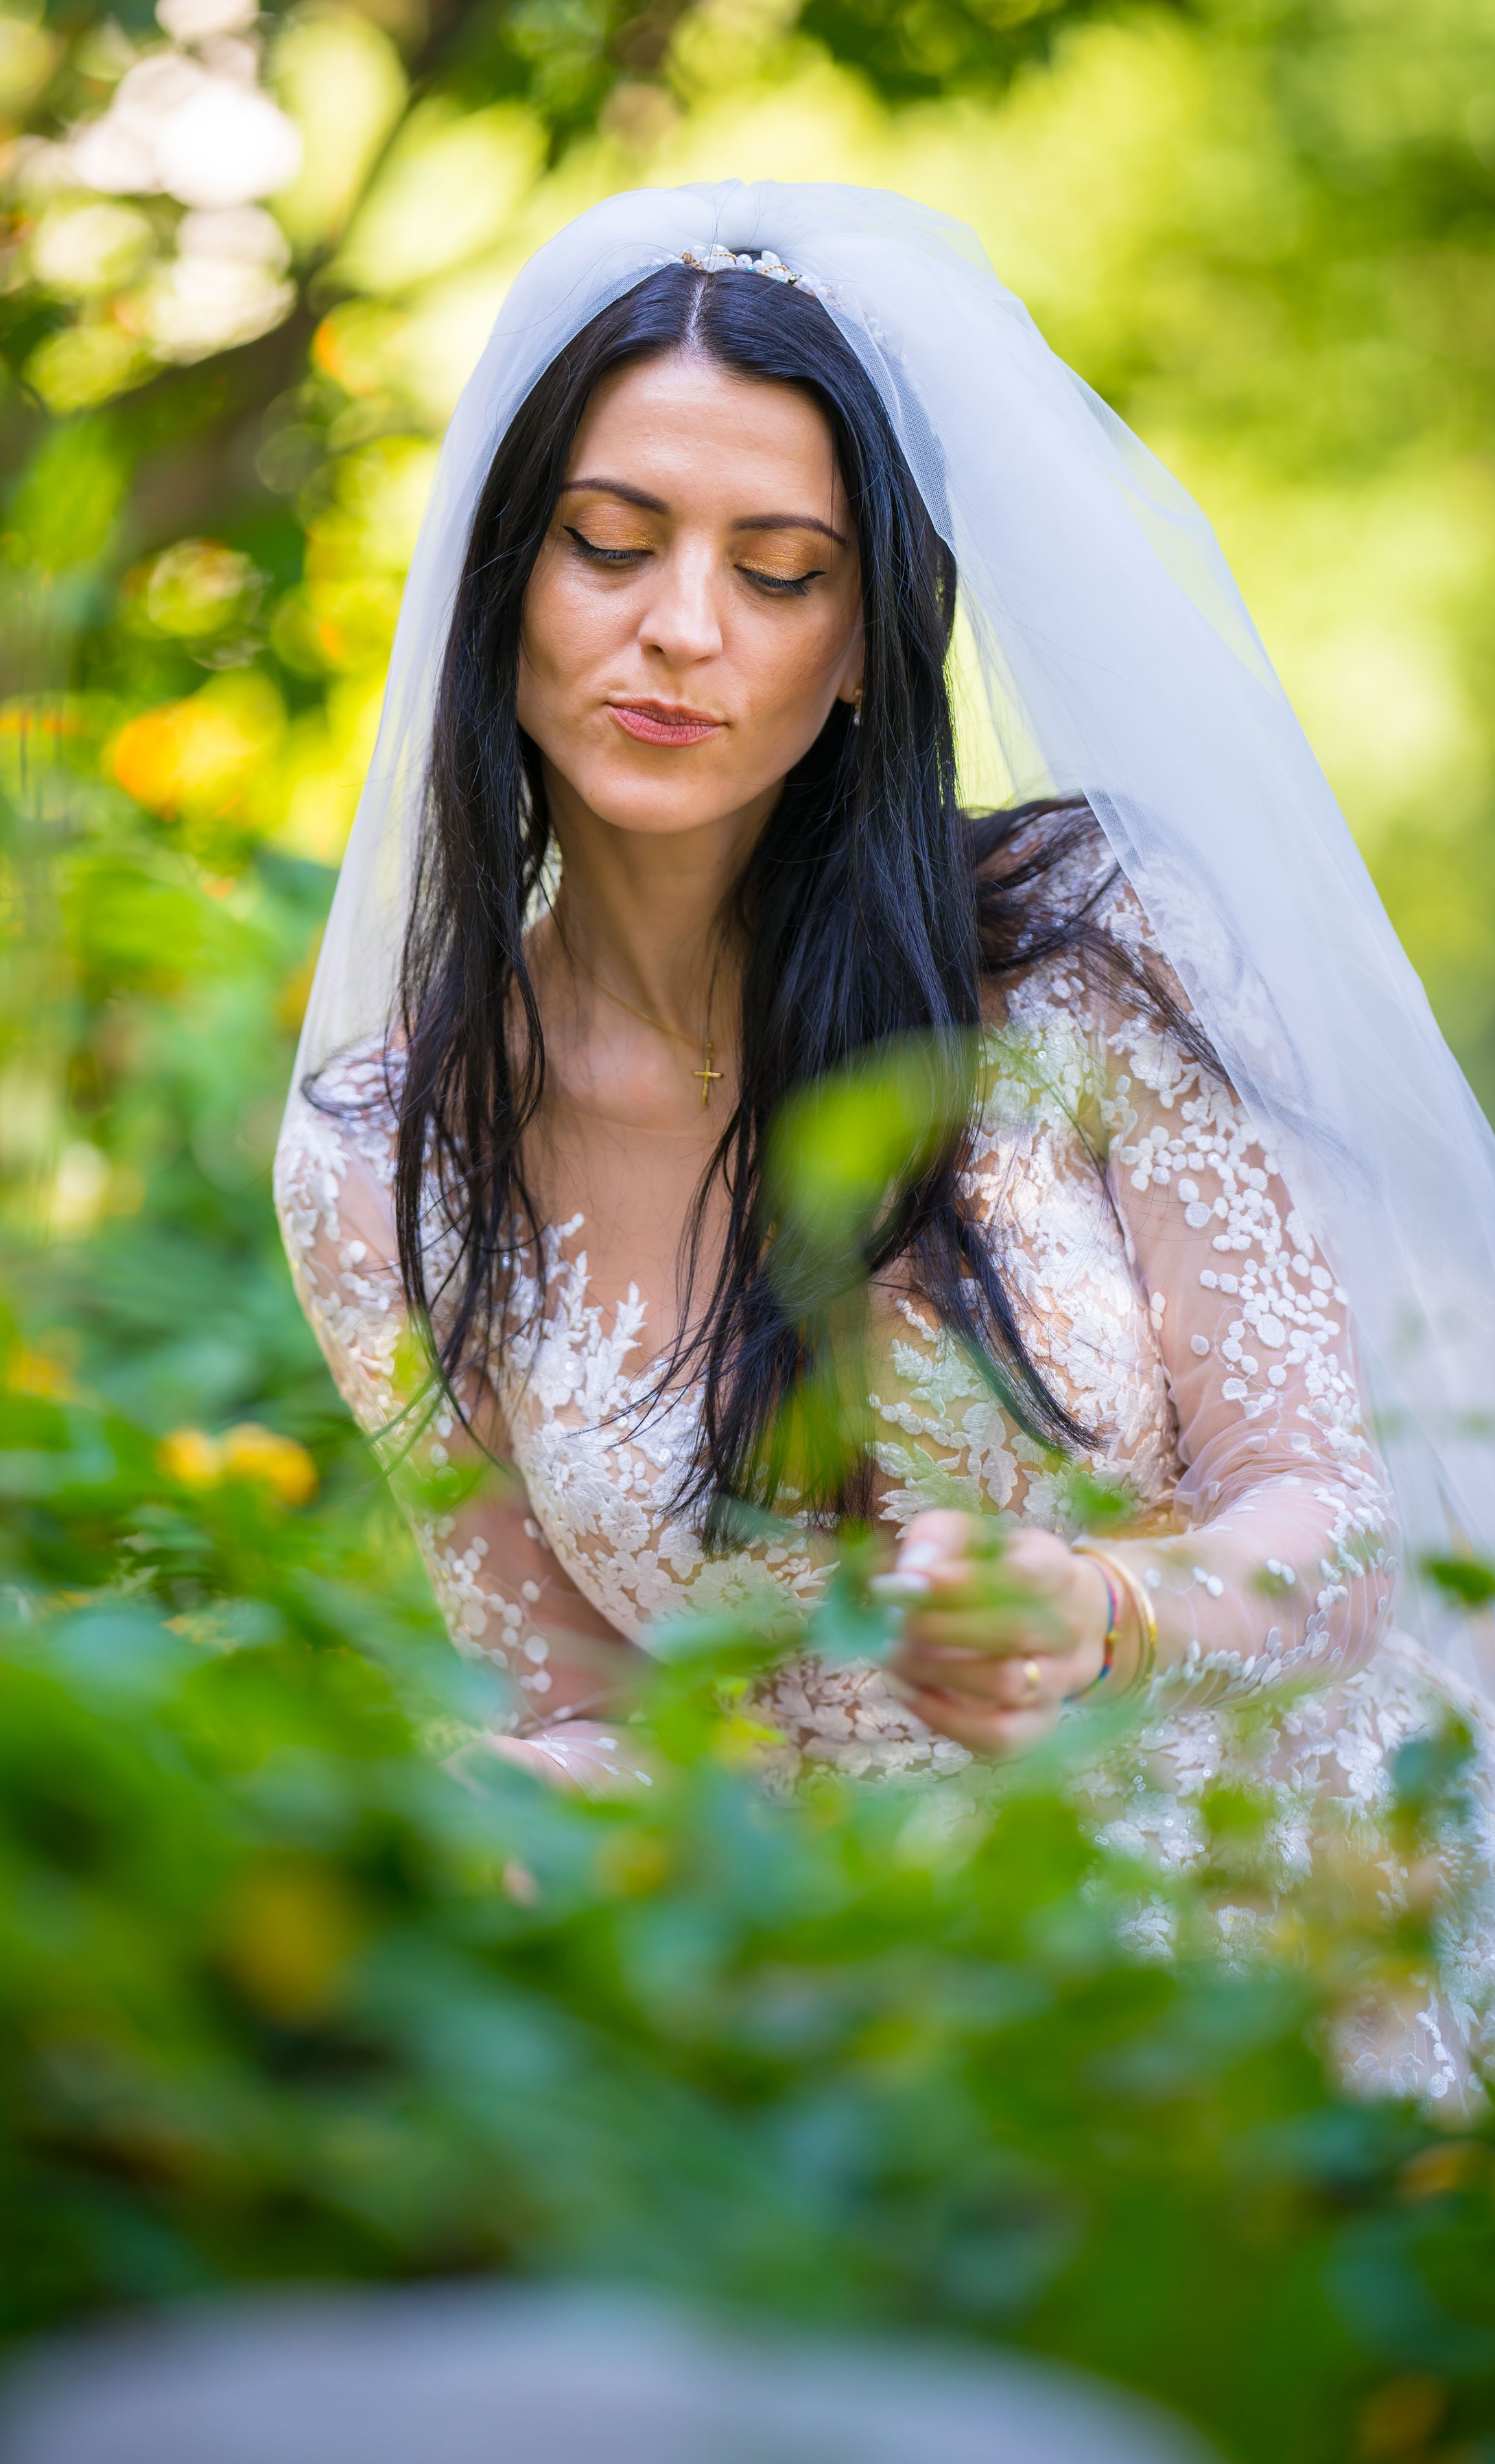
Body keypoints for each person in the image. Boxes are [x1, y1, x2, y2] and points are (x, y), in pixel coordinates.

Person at [276, 184, 1495, 2098]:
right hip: (833, 2018)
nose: (680, 631)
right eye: (611, 545)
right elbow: (584, 1707)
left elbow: (1332, 1531)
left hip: (1256, 1961)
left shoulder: (1091, 955)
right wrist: (473, 1809)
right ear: (504, 576)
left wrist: (1104, 1608)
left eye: (778, 573)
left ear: (861, 648)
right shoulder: (381, 1161)